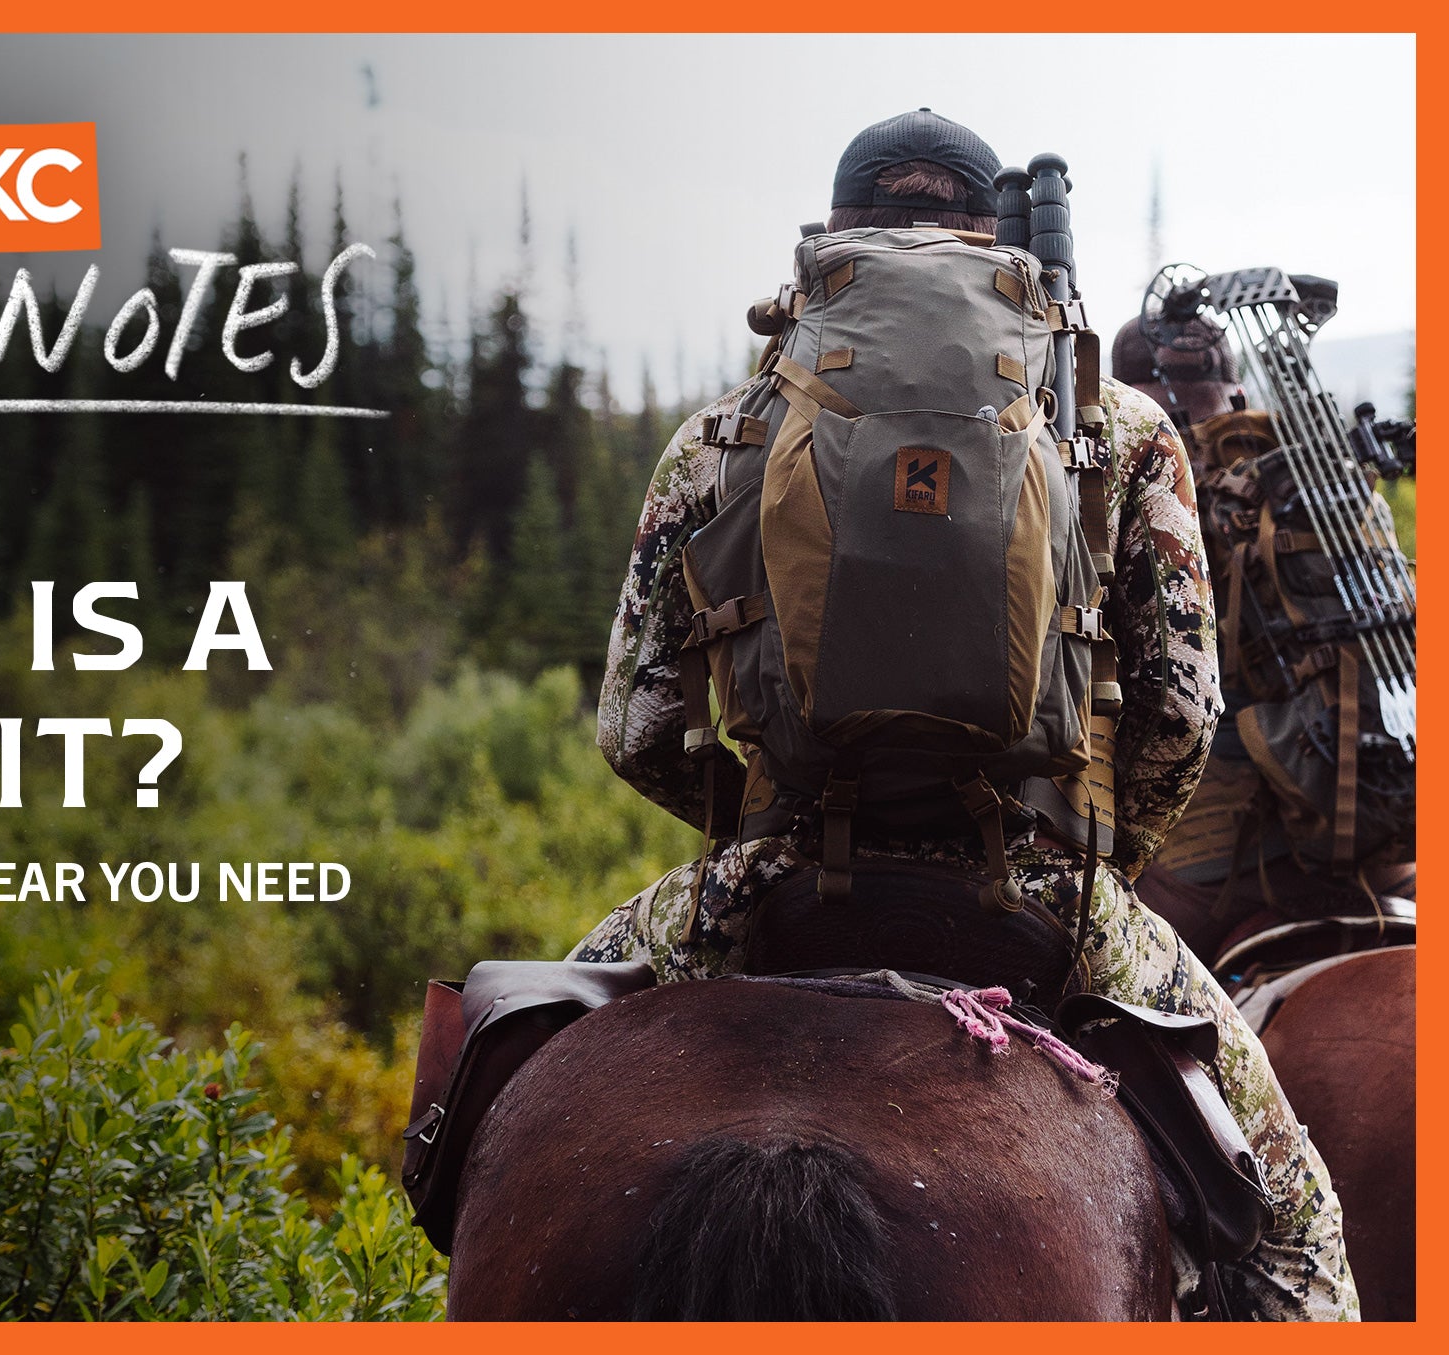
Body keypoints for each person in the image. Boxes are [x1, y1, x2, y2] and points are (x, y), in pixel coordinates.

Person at [568, 109, 1357, 1321]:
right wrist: (1101, 858)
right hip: (1039, 892)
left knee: (504, 1076)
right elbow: (1182, 712)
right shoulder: (1123, 431)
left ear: (830, 240)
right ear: (990, 240)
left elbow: (632, 719)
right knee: (1293, 1230)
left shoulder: (716, 435)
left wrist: (750, 829)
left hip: (767, 875)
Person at [1110, 314, 1417, 959]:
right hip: (1381, 808)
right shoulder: (1330, 480)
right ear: (1238, 391)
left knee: (1111, 978)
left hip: (1225, 848)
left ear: (1127, 394)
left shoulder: (1142, 477)